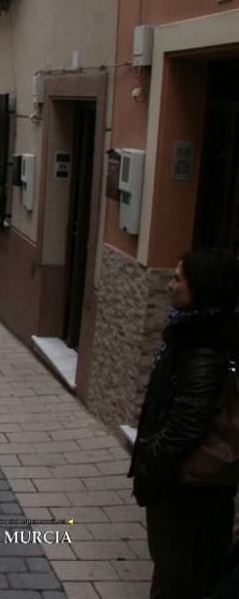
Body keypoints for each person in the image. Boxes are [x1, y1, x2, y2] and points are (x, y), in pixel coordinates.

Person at [128, 248, 239, 599]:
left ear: (202, 288)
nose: (169, 285)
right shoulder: (199, 334)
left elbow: (187, 423)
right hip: (197, 486)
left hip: (187, 486)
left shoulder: (201, 347)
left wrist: (151, 461)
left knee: (175, 580)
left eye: (178, 279)